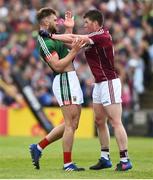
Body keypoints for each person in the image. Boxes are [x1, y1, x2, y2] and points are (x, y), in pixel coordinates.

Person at [40, 9, 133, 171]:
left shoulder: (100, 35)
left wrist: (51, 35)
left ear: (95, 24)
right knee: (99, 121)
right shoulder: (92, 38)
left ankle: (125, 159)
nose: (84, 26)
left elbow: (75, 39)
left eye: (87, 23)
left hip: (109, 82)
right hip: (98, 84)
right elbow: (72, 44)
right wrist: (68, 29)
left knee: (115, 121)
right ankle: (105, 158)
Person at [29, 7, 85, 171]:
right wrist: (74, 51)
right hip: (64, 80)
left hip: (71, 79)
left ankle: (38, 147)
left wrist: (69, 28)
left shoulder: (54, 37)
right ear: (45, 22)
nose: (57, 22)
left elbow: (68, 46)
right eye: (54, 20)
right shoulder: (45, 41)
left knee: (74, 124)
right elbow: (58, 66)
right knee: (69, 124)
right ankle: (68, 164)